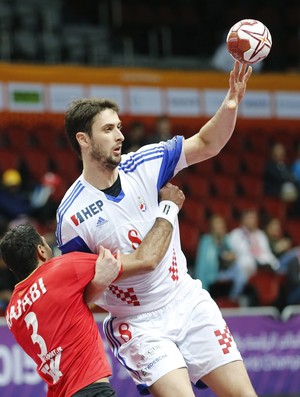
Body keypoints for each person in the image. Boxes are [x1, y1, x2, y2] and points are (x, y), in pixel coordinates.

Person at [56, 61, 257, 397]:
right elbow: (81, 295)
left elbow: (208, 143)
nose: (120, 135)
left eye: (119, 127)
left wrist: (232, 101)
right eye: (108, 130)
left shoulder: (144, 162)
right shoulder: (71, 215)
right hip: (138, 323)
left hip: (187, 300)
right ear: (83, 140)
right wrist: (102, 279)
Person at [2, 184, 184, 397]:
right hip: (91, 391)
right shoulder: (61, 270)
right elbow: (146, 259)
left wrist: (97, 285)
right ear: (41, 251)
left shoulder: (12, 312)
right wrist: (169, 208)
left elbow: (63, 311)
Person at [194, 213, 246, 302]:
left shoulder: (226, 239)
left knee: (239, 269)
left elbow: (232, 254)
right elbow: (201, 266)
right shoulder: (206, 241)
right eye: (217, 224)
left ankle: (232, 300)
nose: (219, 227)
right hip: (212, 273)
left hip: (225, 272)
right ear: (212, 227)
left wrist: (231, 256)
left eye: (221, 224)